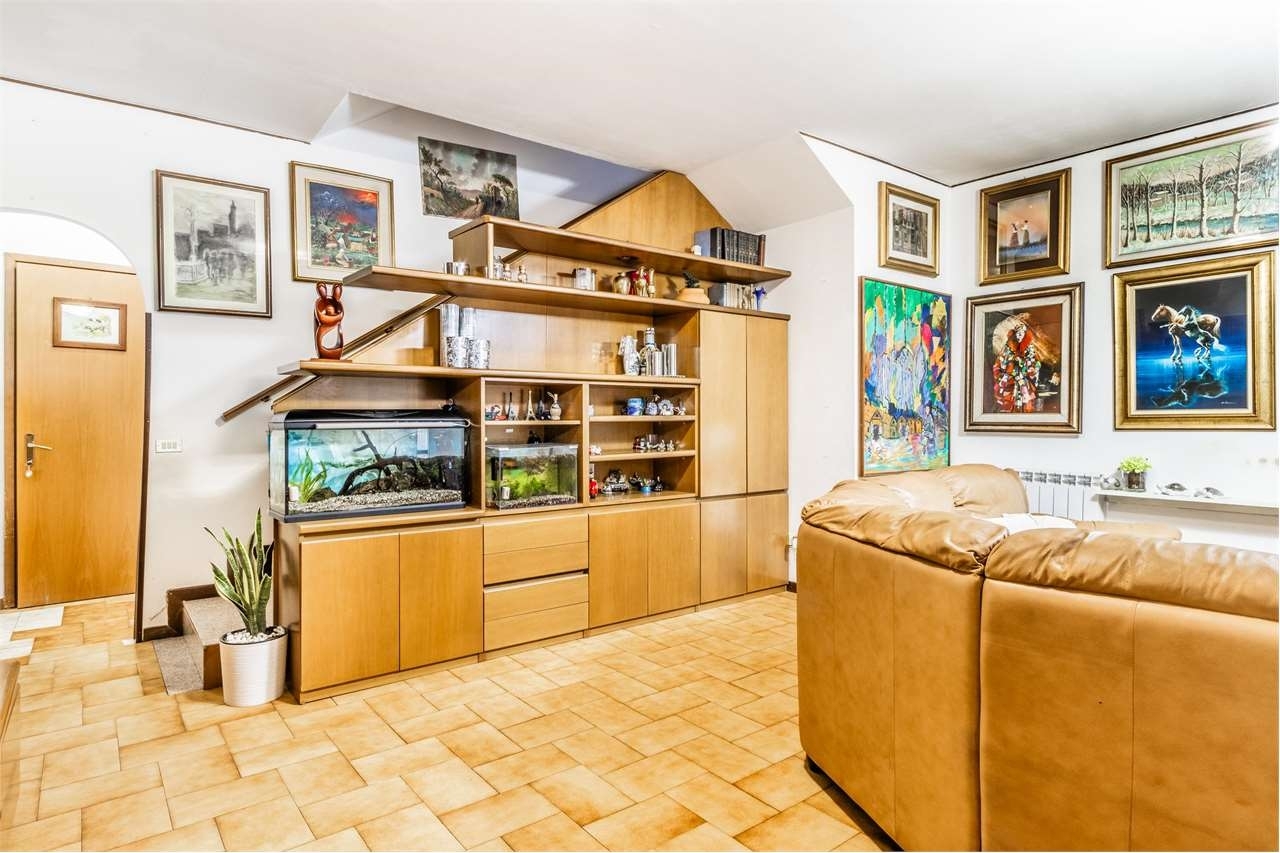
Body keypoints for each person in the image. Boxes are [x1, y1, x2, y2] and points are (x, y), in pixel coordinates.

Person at [992, 320, 1040, 412]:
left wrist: (1031, 368)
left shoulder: (1029, 348)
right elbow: (1001, 362)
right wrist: (1008, 369)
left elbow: (1035, 363)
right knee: (1009, 402)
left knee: (1025, 400)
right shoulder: (1008, 347)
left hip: (1023, 378)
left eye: (1021, 334)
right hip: (1010, 379)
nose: (1019, 336)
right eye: (1018, 334)